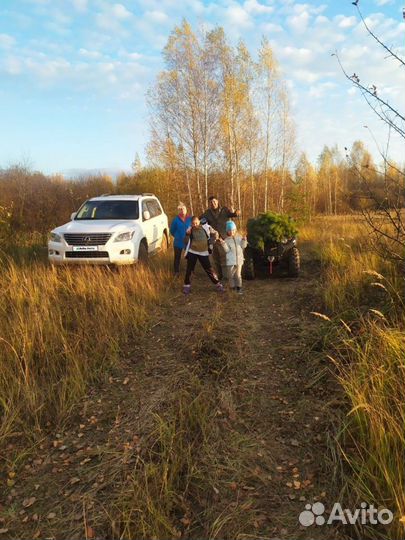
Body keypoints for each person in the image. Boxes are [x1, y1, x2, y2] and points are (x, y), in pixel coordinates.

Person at [200, 196, 240, 279]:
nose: (213, 203)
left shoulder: (224, 210)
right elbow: (200, 220)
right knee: (216, 258)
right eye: (211, 202)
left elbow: (233, 214)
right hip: (214, 238)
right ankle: (219, 275)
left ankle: (227, 275)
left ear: (217, 201)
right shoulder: (207, 213)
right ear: (209, 204)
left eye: (214, 201)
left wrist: (236, 212)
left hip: (225, 237)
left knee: (226, 257)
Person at [183, 216, 224, 295]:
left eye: (196, 223)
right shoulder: (190, 229)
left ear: (199, 222)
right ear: (191, 224)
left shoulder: (206, 227)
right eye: (193, 223)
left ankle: (218, 284)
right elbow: (185, 241)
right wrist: (187, 235)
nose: (195, 225)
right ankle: (186, 285)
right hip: (193, 251)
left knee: (209, 269)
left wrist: (213, 240)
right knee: (189, 269)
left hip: (203, 252)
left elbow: (215, 233)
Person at [220, 220, 247, 294]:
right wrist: (223, 244)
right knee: (230, 275)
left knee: (238, 275)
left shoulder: (239, 237)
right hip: (230, 261)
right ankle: (232, 287)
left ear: (235, 230)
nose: (231, 232)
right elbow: (227, 250)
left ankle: (239, 288)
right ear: (227, 231)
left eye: (233, 230)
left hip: (239, 261)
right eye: (229, 230)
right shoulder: (226, 240)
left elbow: (243, 246)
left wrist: (244, 240)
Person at [169, 203, 192, 275]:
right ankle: (176, 272)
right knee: (177, 257)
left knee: (190, 257)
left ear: (186, 210)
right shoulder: (176, 220)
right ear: (179, 211)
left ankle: (190, 271)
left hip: (188, 241)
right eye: (181, 209)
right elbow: (172, 230)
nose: (182, 210)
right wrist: (176, 236)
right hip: (178, 241)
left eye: (183, 209)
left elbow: (193, 228)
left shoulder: (190, 219)